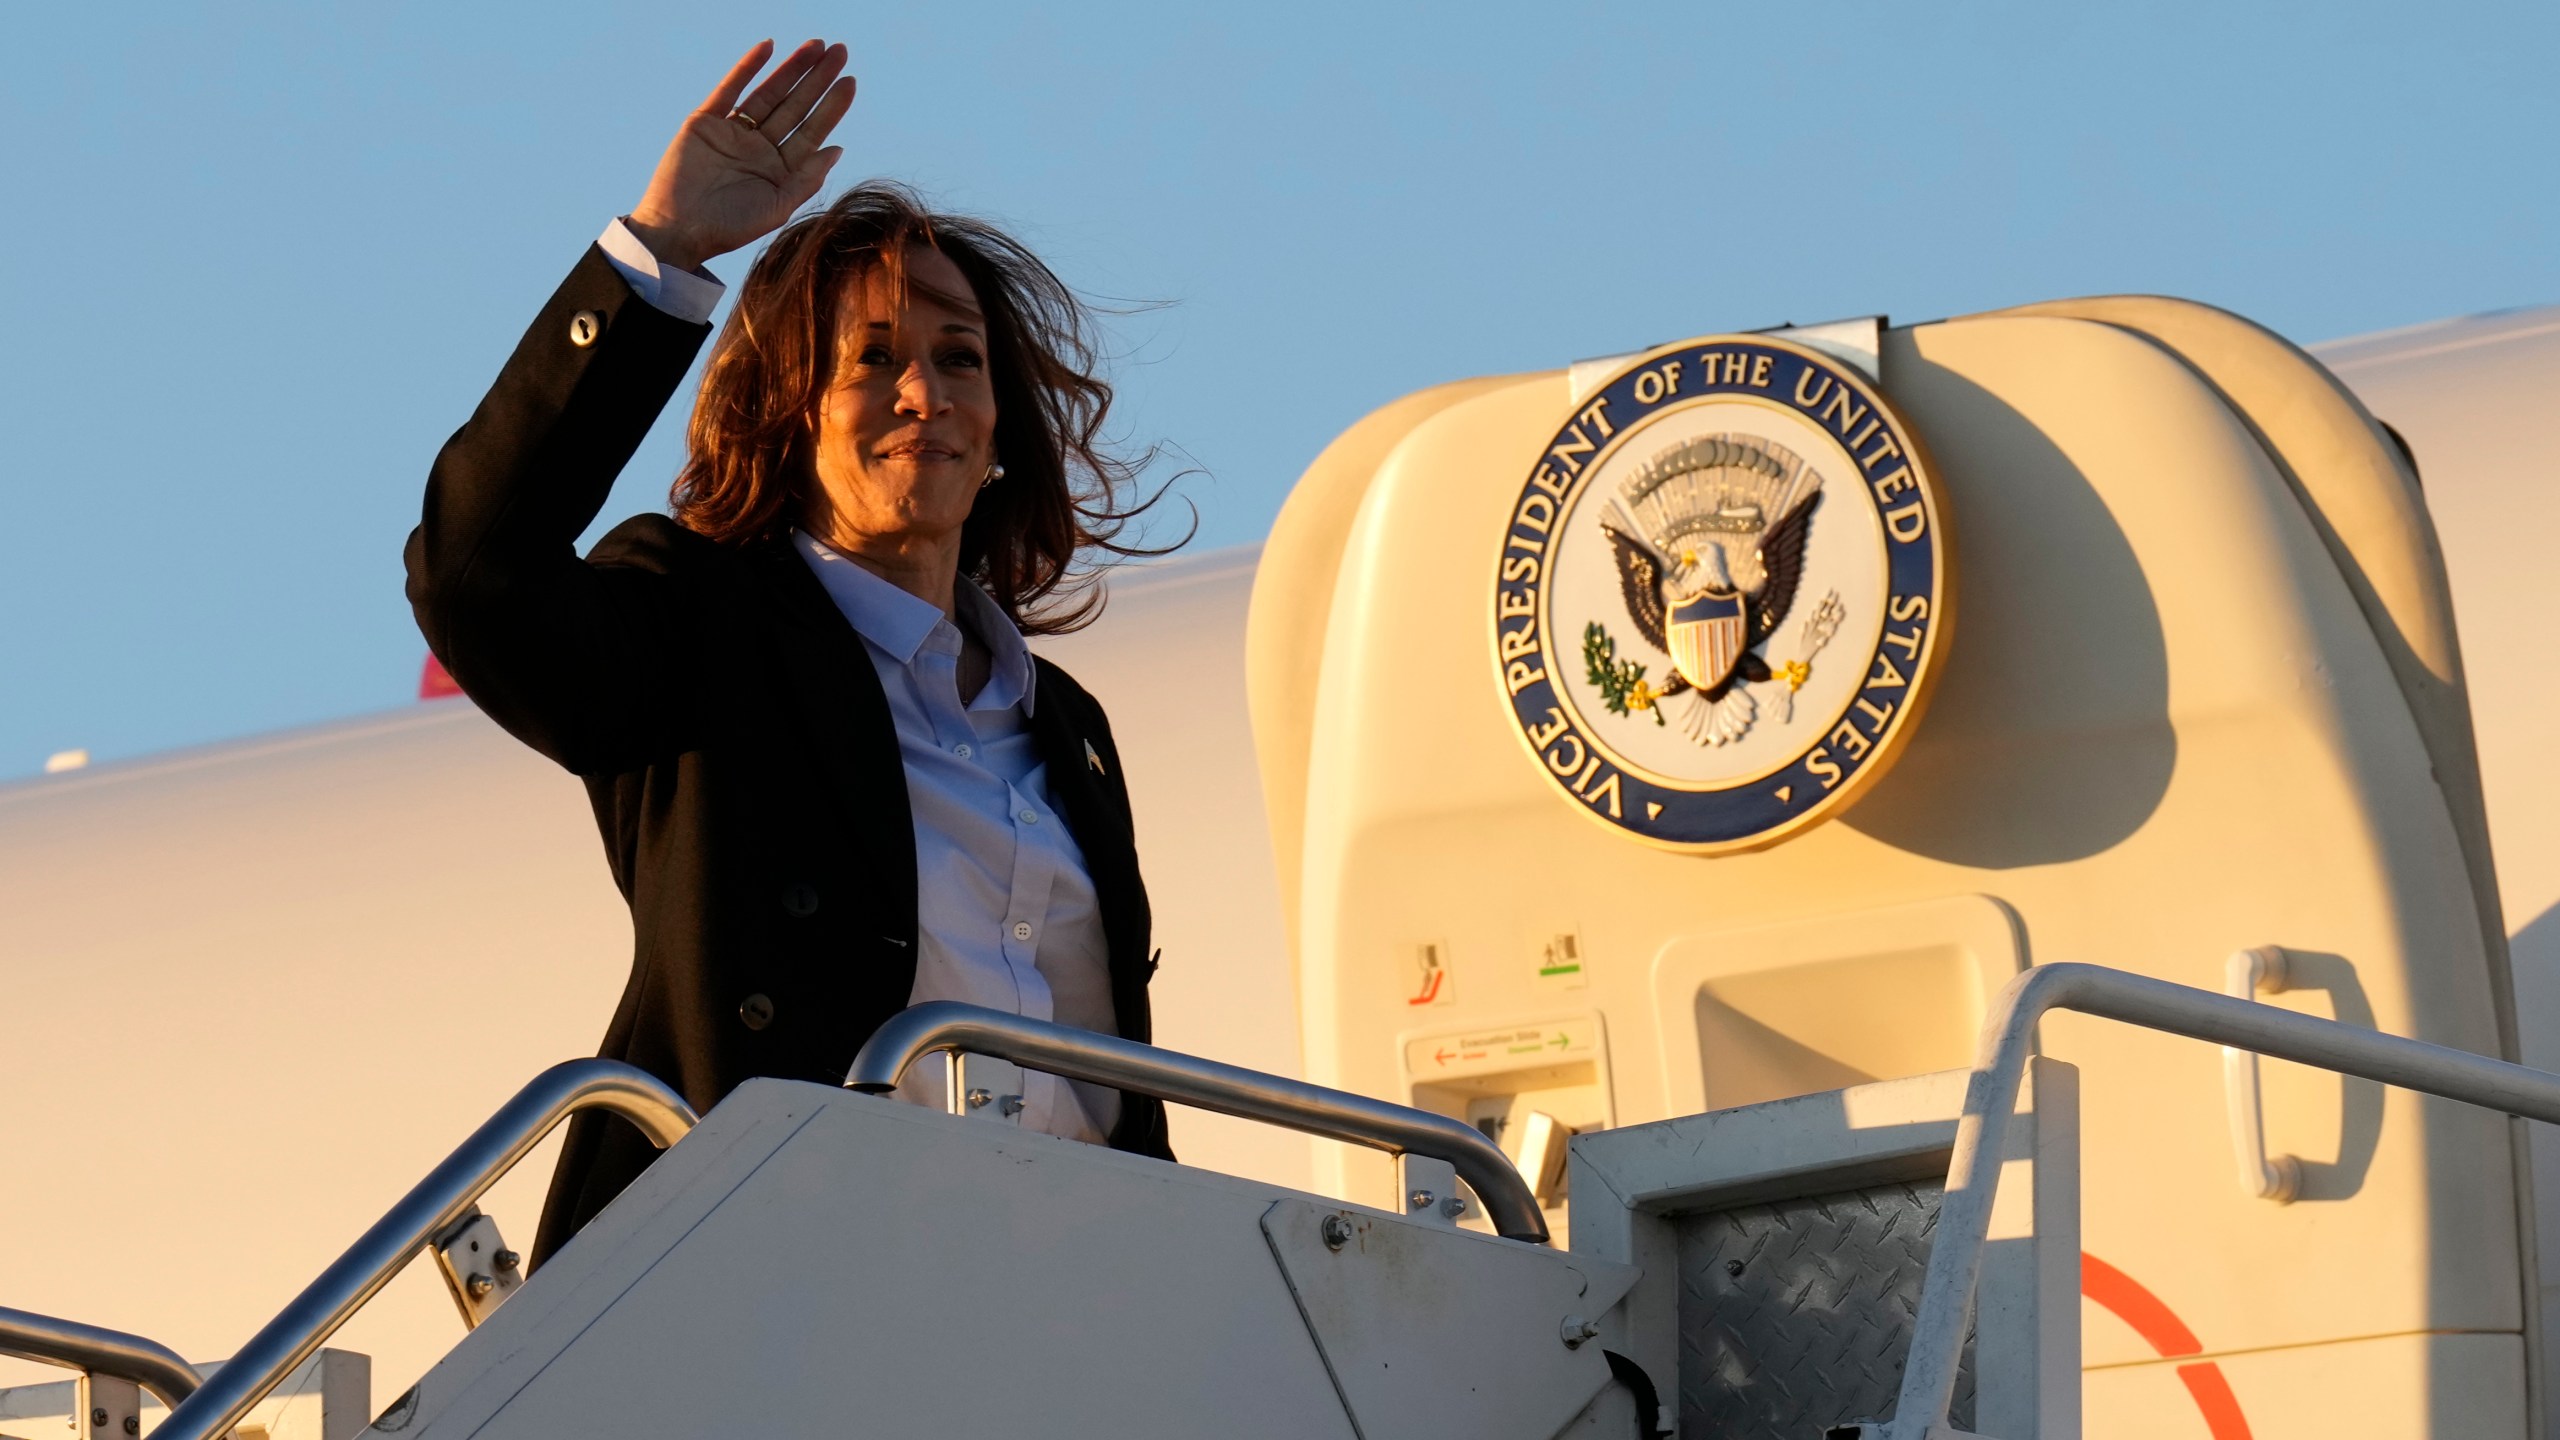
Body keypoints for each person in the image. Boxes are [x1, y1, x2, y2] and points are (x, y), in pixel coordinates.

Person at [407, 38, 1177, 1267]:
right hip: (773, 1290)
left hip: (1067, 1294)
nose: (922, 391)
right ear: (787, 410)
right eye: (871, 359)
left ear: (998, 432)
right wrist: (658, 252)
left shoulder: (1064, 726)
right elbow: (473, 574)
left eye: (958, 357)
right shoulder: (699, 625)